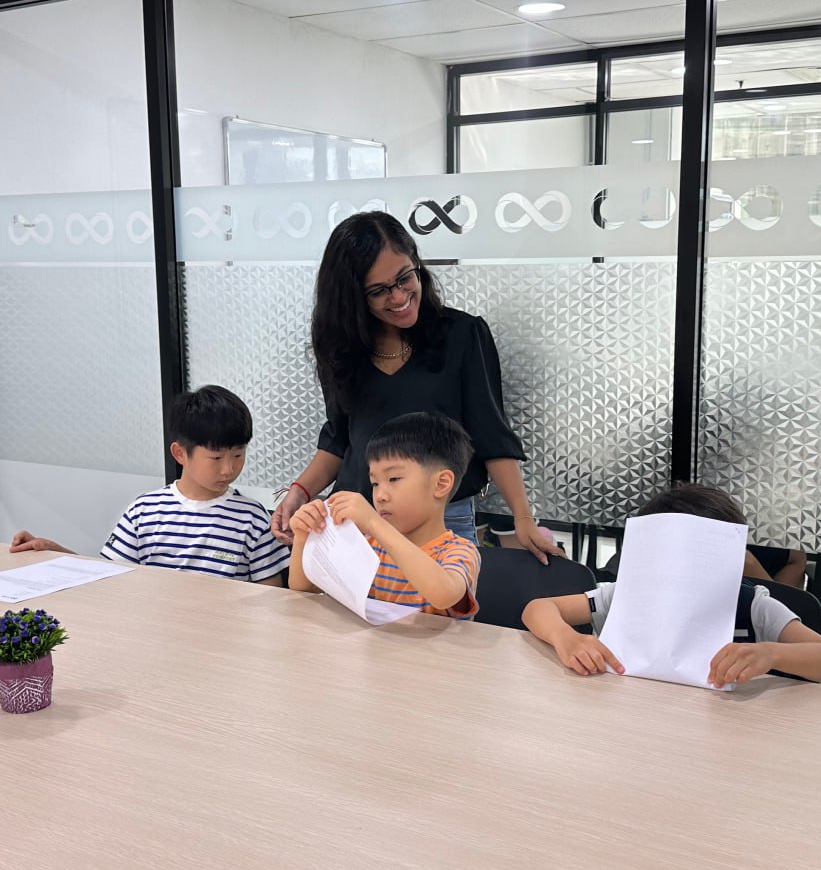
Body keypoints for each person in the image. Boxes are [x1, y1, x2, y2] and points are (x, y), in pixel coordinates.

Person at [271, 212, 559, 563]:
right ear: (352, 298)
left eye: (405, 277)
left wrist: (523, 518)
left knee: (444, 600)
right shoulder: (341, 349)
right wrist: (299, 492)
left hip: (441, 523)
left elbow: (492, 436)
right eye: (378, 291)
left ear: (417, 264)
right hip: (355, 522)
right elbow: (339, 440)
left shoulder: (462, 335)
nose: (398, 296)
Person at [522, 482, 821, 685]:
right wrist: (565, 637)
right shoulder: (627, 597)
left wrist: (771, 654)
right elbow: (539, 608)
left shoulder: (753, 606)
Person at [12, 385, 289, 586]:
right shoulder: (145, 509)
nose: (229, 469)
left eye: (238, 455)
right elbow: (110, 577)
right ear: (180, 454)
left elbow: (270, 598)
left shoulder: (252, 517)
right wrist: (53, 551)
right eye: (216, 458)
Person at [289, 411, 480, 619]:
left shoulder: (459, 551)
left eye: (394, 479)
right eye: (375, 483)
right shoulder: (369, 546)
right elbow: (305, 588)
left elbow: (443, 595)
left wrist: (374, 522)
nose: (380, 496)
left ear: (441, 484)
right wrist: (303, 538)